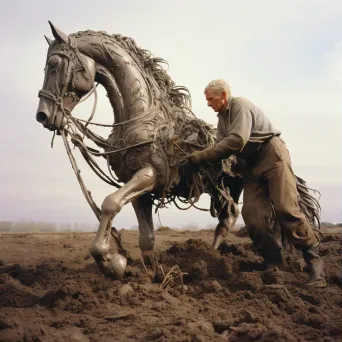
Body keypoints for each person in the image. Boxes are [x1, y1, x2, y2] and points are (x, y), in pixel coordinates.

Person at [187, 79, 326, 288]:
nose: (208, 103)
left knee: (285, 209)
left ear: (223, 95)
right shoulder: (222, 120)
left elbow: (236, 141)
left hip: (272, 156)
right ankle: (274, 263)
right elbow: (221, 147)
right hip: (250, 167)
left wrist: (202, 156)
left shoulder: (240, 105)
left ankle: (315, 266)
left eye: (210, 99)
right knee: (252, 215)